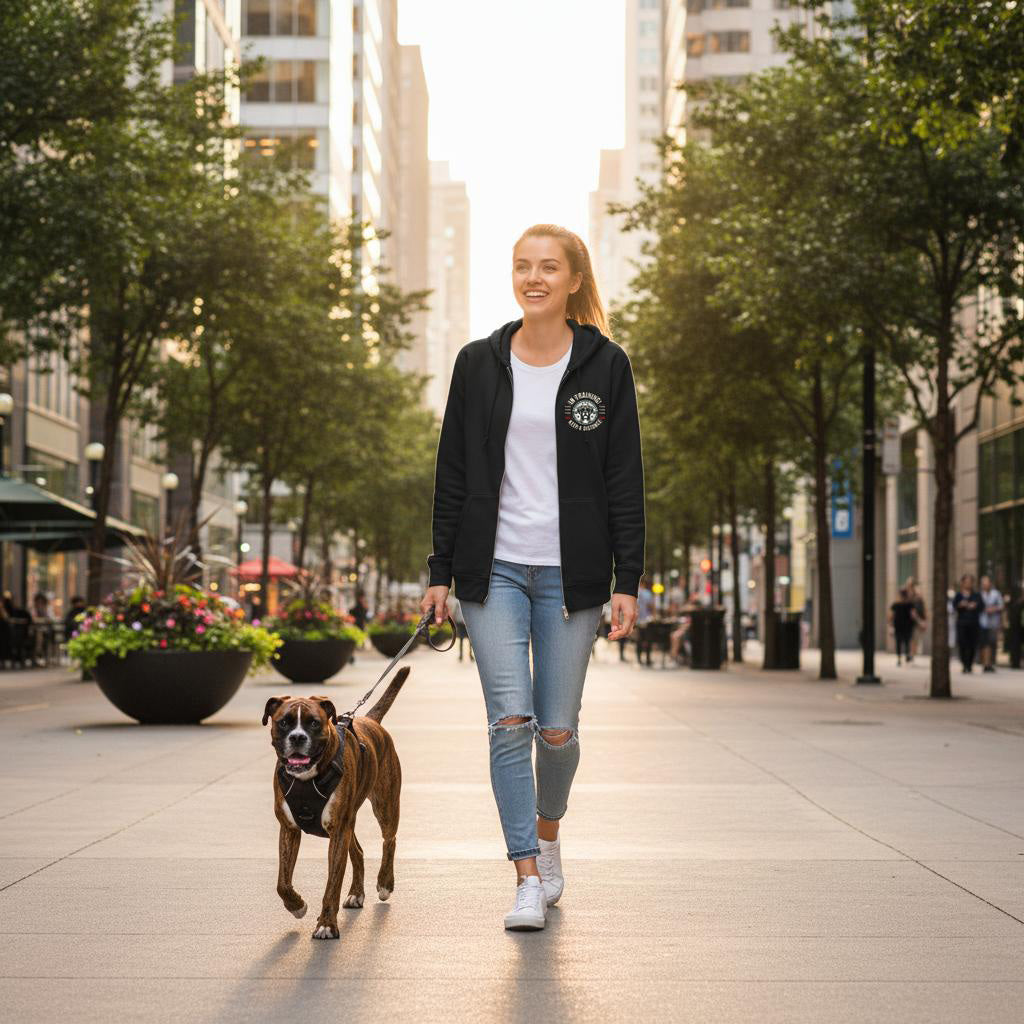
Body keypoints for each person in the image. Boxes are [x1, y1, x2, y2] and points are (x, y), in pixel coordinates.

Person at [420, 224, 645, 932]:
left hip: (573, 577)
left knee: (557, 731)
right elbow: (452, 473)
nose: (534, 277)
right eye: (523, 266)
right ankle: (524, 874)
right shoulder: (477, 363)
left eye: (549, 267)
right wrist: (439, 572)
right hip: (492, 573)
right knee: (509, 722)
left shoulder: (606, 366)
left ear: (574, 280)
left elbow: (625, 478)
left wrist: (628, 579)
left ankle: (548, 834)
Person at [952, 574, 983, 673]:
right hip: (962, 623)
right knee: (962, 643)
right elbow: (954, 606)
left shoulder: (976, 595)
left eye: (970, 582)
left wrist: (975, 606)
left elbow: (981, 606)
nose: (968, 584)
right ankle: (964, 664)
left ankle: (969, 664)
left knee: (972, 644)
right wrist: (960, 605)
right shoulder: (958, 595)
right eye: (966, 582)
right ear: (963, 583)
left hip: (974, 623)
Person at [978, 574, 1004, 673]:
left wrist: (994, 609)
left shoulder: (996, 594)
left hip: (993, 622)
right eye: (983, 584)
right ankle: (985, 663)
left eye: (986, 583)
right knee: (984, 643)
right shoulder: (980, 594)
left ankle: (990, 663)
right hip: (982, 622)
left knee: (992, 643)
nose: (985, 585)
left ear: (990, 584)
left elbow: (1001, 606)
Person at [888, 587, 917, 665]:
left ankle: (899, 659)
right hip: (908, 627)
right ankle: (907, 655)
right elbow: (913, 615)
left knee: (898, 642)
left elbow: (891, 616)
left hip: (898, 626)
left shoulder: (895, 604)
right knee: (907, 642)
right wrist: (918, 622)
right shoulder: (910, 604)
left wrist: (890, 625)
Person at [905, 576, 927, 658]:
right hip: (907, 620)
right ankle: (910, 653)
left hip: (915, 621)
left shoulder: (918, 596)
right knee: (909, 638)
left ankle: (911, 654)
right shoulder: (905, 595)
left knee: (914, 638)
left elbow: (923, 609)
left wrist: (923, 621)